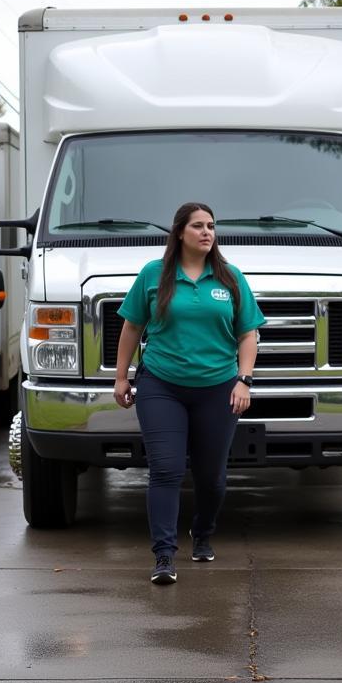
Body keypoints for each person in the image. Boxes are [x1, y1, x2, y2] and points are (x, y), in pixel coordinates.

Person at [114, 203, 266, 584]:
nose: (206, 232)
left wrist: (243, 380)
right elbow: (132, 327)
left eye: (211, 226)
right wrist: (121, 378)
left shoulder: (229, 278)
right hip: (160, 385)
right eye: (197, 226)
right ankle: (164, 555)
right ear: (180, 232)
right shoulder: (154, 275)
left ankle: (203, 532)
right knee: (165, 469)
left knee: (211, 476)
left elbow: (249, 333)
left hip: (218, 388)